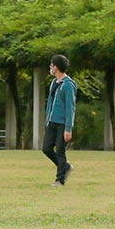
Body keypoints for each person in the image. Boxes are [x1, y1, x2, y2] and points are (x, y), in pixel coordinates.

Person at [41, 54, 77, 186]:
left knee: (60, 151)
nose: (50, 67)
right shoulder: (54, 83)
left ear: (56, 67)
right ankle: (65, 167)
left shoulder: (68, 85)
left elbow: (70, 107)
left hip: (62, 123)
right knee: (46, 148)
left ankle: (59, 180)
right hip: (52, 122)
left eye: (51, 65)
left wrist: (68, 128)